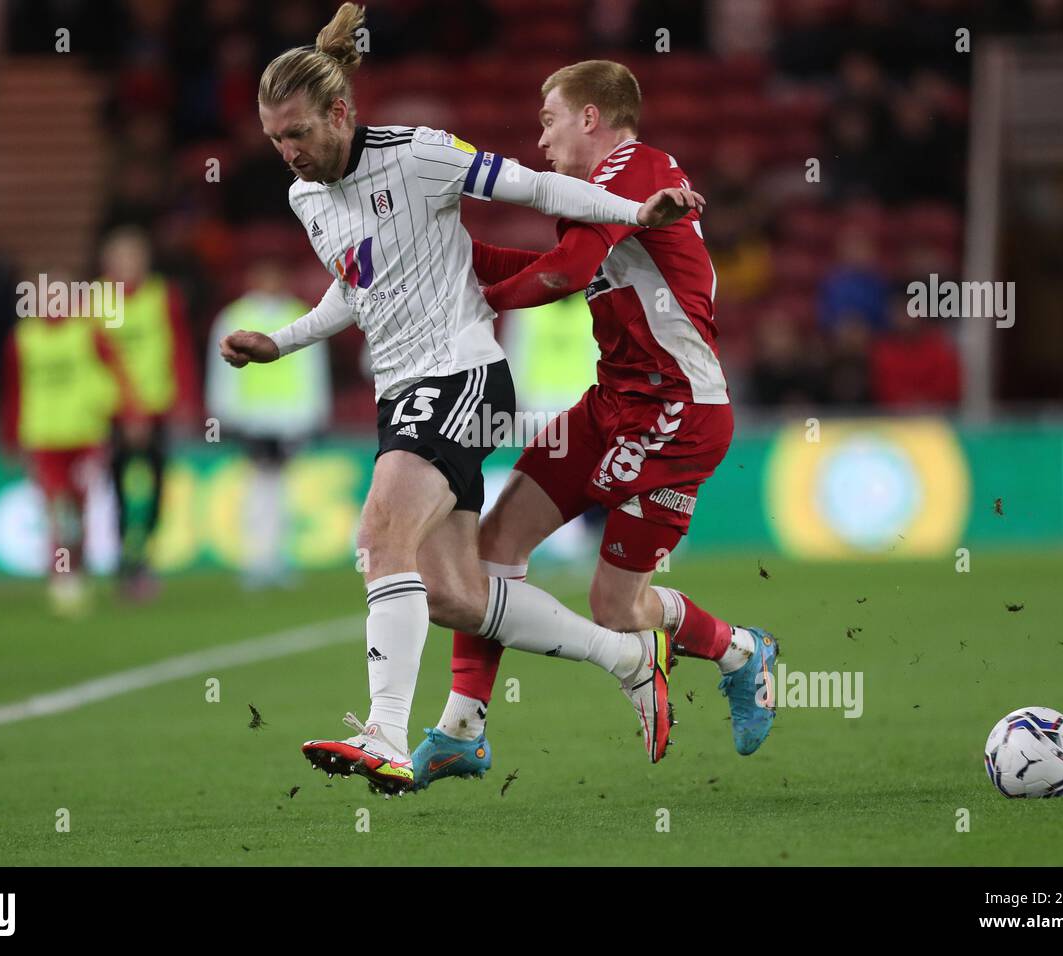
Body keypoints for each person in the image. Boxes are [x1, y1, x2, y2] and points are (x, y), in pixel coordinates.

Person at [218, 3, 703, 794]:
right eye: (276, 138)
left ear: (341, 110)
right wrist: (284, 340)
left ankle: (382, 732)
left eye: (299, 132)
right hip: (402, 391)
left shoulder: (421, 155)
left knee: (380, 535)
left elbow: (539, 187)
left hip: (462, 376)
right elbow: (358, 289)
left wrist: (633, 213)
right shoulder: (307, 201)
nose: (288, 153)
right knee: (452, 593)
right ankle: (627, 657)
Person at [410, 59, 780, 790]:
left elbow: (567, 271)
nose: (539, 141)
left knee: (616, 606)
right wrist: (439, 256)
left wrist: (477, 300)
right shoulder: (600, 194)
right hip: (611, 402)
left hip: (677, 415)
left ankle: (740, 651)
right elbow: (554, 262)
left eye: (548, 120)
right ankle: (461, 729)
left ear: (589, 118)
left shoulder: (634, 170)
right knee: (491, 548)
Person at [1, 269, 142, 615]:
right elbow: (14, 392)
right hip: (44, 437)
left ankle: (77, 569)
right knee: (58, 509)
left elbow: (116, 372)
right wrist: (10, 438)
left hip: (85, 435)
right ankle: (63, 576)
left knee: (79, 507)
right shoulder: (23, 338)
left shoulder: (87, 331)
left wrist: (128, 412)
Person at [205, 259, 332, 587]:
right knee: (258, 487)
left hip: (288, 418)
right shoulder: (234, 317)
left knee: (279, 488)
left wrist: (314, 413)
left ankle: (274, 558)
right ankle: (257, 559)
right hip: (253, 418)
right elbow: (220, 371)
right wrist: (224, 414)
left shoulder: (298, 312)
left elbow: (312, 368)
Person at [98, 226, 200, 600]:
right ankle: (127, 560)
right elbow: (96, 358)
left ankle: (144, 556)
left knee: (157, 486)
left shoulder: (163, 296)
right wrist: (127, 410)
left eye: (135, 258)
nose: (128, 266)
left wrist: (186, 399)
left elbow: (179, 348)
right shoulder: (98, 301)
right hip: (112, 413)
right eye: (121, 259)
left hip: (157, 408)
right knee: (119, 488)